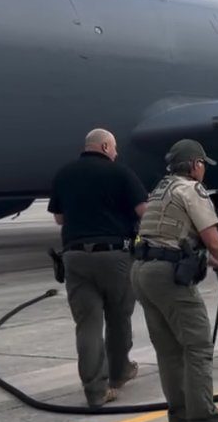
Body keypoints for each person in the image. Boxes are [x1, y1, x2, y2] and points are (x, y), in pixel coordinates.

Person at [131, 139, 218, 422]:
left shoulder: (161, 189)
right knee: (197, 346)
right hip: (167, 276)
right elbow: (212, 240)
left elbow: (174, 241)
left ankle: (179, 419)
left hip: (142, 270)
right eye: (202, 165)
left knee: (169, 350)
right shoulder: (191, 190)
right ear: (195, 165)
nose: (203, 171)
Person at [48, 128, 148, 407]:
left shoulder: (64, 174)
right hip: (114, 256)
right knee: (119, 318)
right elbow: (144, 212)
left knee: (87, 325)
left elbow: (59, 218)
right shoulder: (121, 173)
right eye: (114, 148)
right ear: (105, 146)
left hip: (75, 257)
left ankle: (95, 390)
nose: (116, 153)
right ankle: (118, 374)